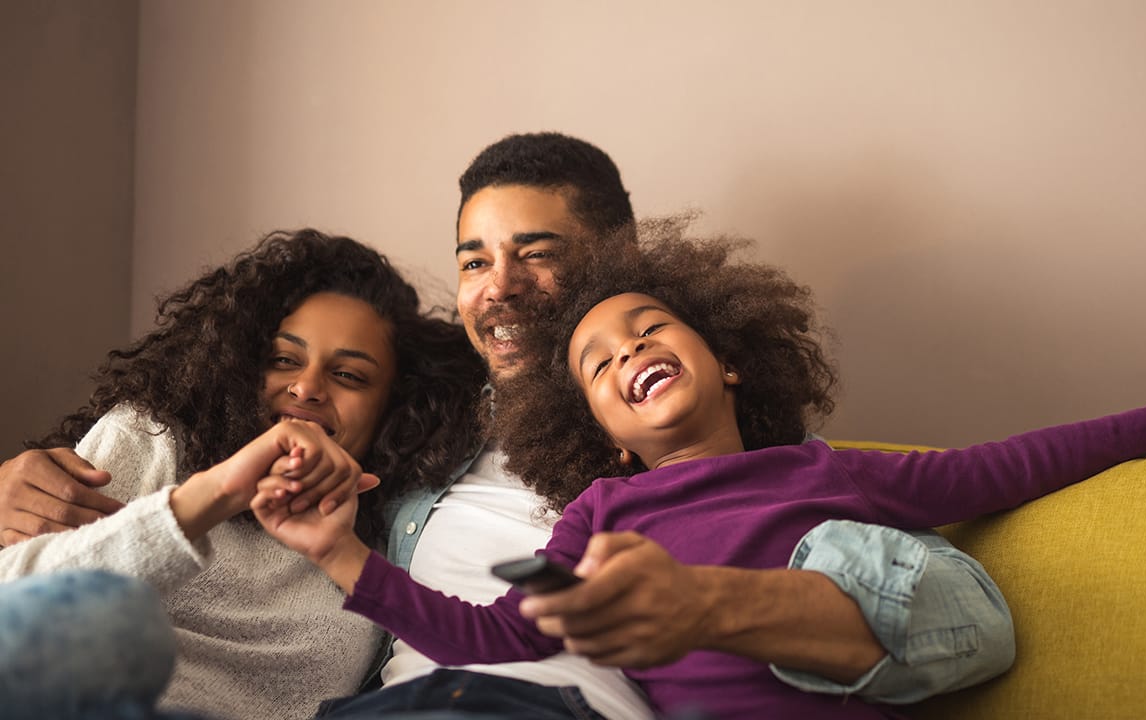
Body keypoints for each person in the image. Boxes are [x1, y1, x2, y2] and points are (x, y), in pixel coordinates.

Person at [0, 133, 1020, 717]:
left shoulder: (690, 433)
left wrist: (706, 604)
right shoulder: (408, 416)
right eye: (475, 261)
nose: (500, 287)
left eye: (537, 253)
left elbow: (961, 625)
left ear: (619, 260)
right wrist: (23, 481)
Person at [253, 221, 1146, 720]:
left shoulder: (827, 473)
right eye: (597, 366)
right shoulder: (602, 513)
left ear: (727, 357)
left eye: (648, 328)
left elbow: (1000, 467)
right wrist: (340, 554)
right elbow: (492, 636)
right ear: (601, 431)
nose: (627, 350)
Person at [0, 229, 487, 720]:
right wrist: (217, 492)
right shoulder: (152, 437)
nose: (307, 387)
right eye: (284, 360)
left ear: (394, 407)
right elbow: (15, 607)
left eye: (348, 375)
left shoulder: (379, 542)